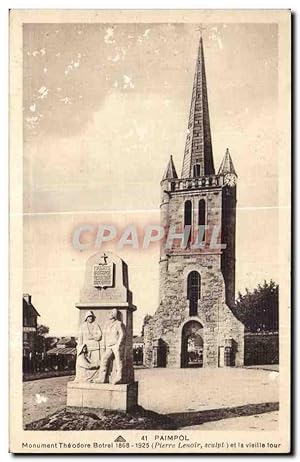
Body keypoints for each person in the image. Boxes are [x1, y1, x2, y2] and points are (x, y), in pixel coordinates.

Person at [95, 308, 125, 384]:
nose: (110, 314)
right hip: (109, 345)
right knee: (104, 359)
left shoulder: (118, 323)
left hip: (115, 345)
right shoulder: (107, 324)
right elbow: (104, 336)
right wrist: (104, 345)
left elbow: (122, 334)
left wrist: (119, 344)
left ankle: (119, 377)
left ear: (114, 315)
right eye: (109, 313)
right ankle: (102, 378)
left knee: (118, 361)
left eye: (111, 313)